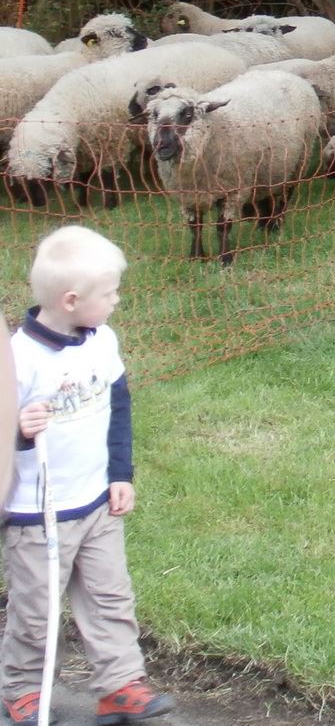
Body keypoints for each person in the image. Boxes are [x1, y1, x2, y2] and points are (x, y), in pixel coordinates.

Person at [5, 225, 176, 725]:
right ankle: (23, 689)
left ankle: (119, 685)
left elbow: (118, 407)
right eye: (110, 293)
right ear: (72, 300)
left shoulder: (103, 342)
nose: (117, 300)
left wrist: (120, 473)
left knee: (110, 598)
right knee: (37, 610)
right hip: (37, 514)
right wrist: (18, 429)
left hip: (97, 501)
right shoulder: (17, 359)